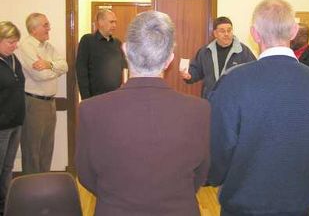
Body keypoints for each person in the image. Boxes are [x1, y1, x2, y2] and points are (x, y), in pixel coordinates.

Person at [207, 0, 309, 216]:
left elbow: (219, 148)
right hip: (299, 204)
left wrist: (213, 179)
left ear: (254, 34)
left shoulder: (234, 82)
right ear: (294, 31)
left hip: (243, 205)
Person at [76, 11, 210, 216]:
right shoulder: (199, 110)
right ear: (169, 60)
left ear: (125, 50)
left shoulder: (90, 110)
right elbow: (200, 174)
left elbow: (86, 175)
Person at [15, 13, 68, 174]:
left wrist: (48, 64)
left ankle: (44, 185)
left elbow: (65, 66)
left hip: (50, 103)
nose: (49, 28)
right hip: (34, 103)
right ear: (33, 29)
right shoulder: (25, 46)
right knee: (32, 150)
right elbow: (40, 75)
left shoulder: (48, 47)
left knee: (47, 148)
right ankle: (31, 188)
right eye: (45, 25)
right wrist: (55, 69)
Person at [180, 16, 255, 98]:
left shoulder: (243, 51)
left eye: (229, 30)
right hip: (210, 100)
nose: (226, 34)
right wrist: (189, 76)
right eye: (222, 31)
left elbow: (254, 72)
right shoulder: (205, 51)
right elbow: (196, 71)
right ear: (215, 33)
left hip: (235, 100)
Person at [0, 21, 25, 215]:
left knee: (8, 167)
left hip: (16, 122)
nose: (15, 45)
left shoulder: (13, 59)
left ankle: (5, 206)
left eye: (16, 41)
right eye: (10, 42)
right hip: (1, 126)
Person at [76, 9, 127, 100]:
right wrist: (86, 98)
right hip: (95, 97)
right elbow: (81, 71)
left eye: (115, 22)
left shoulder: (117, 43)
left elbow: (123, 68)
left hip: (115, 96)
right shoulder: (88, 40)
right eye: (111, 22)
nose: (114, 25)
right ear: (100, 22)